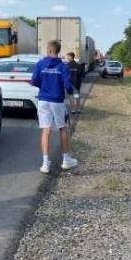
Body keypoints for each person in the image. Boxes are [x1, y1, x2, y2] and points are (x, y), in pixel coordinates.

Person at [31, 40, 79, 174]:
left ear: (50, 50)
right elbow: (68, 86)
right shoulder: (63, 67)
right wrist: (69, 93)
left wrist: (44, 86)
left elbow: (33, 80)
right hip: (57, 100)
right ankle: (66, 160)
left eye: (47, 48)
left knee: (46, 130)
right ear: (57, 51)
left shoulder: (40, 64)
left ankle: (45, 164)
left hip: (43, 100)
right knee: (62, 128)